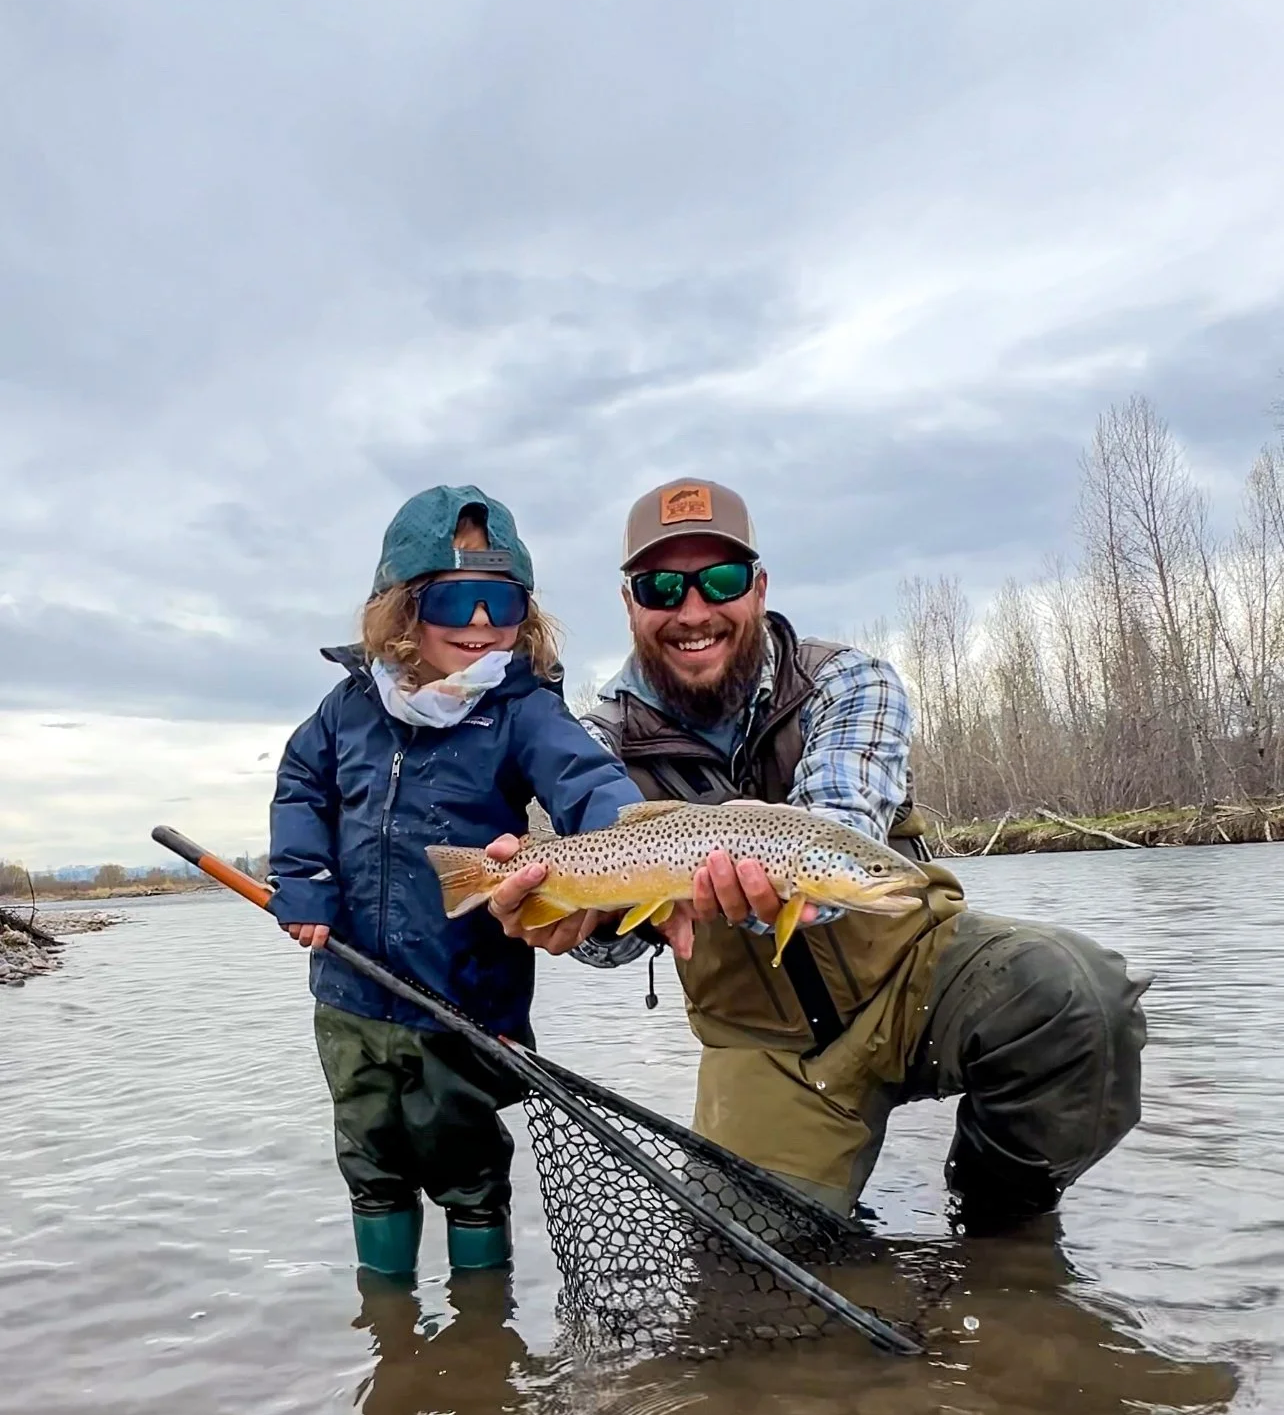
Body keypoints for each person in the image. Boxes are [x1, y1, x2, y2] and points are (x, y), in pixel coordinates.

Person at [487, 477, 1149, 1233]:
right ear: (631, 603)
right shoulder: (597, 742)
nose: (694, 609)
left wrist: (763, 859)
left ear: (759, 587)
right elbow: (603, 929)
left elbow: (836, 835)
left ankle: (1000, 1227)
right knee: (744, 1281)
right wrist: (567, 917)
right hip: (766, 1048)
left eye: (722, 580)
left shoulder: (846, 680)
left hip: (915, 979)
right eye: (662, 586)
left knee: (1078, 999)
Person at [268, 485, 641, 1279]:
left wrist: (633, 840)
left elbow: (590, 782)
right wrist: (303, 875)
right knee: (371, 1168)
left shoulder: (523, 712)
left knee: (471, 1177)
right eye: (457, 598)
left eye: (501, 601)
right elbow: (301, 783)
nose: (481, 624)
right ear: (402, 608)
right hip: (349, 993)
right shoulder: (345, 710)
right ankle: (389, 1309)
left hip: (466, 1002)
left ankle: (481, 1350)